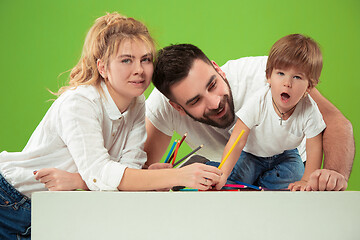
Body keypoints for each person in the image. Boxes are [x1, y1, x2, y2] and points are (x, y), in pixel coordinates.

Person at [0, 13, 221, 239]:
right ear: (103, 68)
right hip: (11, 199)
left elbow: (125, 170)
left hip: (54, 208)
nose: (139, 70)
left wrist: (142, 176)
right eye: (126, 60)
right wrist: (177, 177)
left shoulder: (136, 102)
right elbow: (99, 174)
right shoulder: (80, 102)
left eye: (145, 59)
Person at [146, 43, 354, 191]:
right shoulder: (162, 105)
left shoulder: (272, 77)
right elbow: (142, 173)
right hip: (237, 168)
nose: (215, 103)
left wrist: (333, 175)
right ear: (177, 107)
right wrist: (156, 180)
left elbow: (337, 124)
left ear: (218, 69)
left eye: (213, 85)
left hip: (289, 168)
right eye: (194, 101)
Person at [214, 34, 326, 190]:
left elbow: (314, 147)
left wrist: (306, 180)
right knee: (233, 178)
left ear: (309, 86)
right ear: (268, 76)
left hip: (285, 155)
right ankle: (212, 167)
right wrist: (222, 174)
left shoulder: (309, 110)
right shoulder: (259, 101)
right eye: (280, 74)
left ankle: (259, 185)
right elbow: (237, 140)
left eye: (297, 77)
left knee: (296, 174)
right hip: (251, 154)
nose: (287, 83)